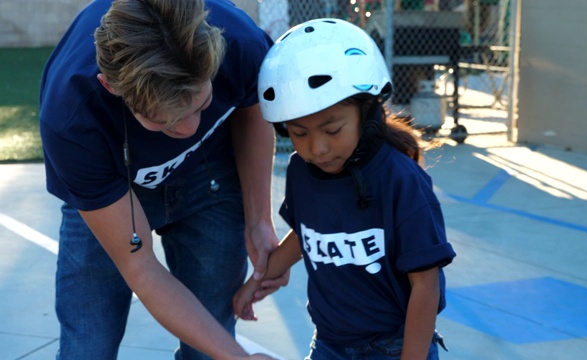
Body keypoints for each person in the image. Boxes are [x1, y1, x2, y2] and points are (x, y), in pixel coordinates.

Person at [39, 0, 287, 358]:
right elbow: (142, 270)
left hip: (211, 173)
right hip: (115, 184)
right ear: (111, 87)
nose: (188, 129)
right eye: (164, 121)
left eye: (202, 105)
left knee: (209, 341)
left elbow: (251, 106)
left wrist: (259, 219)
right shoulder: (71, 116)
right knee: (87, 346)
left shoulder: (241, 43)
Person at [233, 18, 457, 360]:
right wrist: (259, 279)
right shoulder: (301, 170)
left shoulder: (401, 180)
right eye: (299, 133)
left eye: (333, 129)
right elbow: (307, 232)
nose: (317, 148)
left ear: (368, 113)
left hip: (393, 346)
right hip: (329, 343)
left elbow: (425, 285)